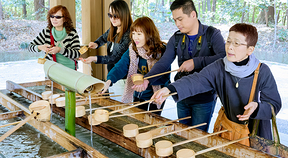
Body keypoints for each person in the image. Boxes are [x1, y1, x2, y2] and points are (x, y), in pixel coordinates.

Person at [151, 23, 282, 143]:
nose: (230, 47)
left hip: (255, 133)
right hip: (228, 129)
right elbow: (197, 80)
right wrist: (169, 89)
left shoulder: (262, 71)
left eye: (236, 43)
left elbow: (274, 104)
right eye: (228, 41)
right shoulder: (220, 66)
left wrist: (257, 107)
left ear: (250, 50)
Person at [133, 0, 226, 131]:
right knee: (183, 132)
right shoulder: (176, 38)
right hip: (181, 93)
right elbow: (164, 62)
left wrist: (196, 62)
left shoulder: (212, 34)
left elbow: (224, 58)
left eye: (180, 19)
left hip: (204, 97)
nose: (177, 24)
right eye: (175, 20)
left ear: (193, 14)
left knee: (198, 137)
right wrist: (147, 79)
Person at [101, 16, 170, 115]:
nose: (135, 37)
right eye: (133, 33)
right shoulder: (133, 49)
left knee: (153, 122)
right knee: (139, 119)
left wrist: (145, 80)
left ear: (149, 34)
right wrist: (109, 80)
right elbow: (121, 66)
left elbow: (164, 76)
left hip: (157, 94)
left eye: (139, 34)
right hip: (138, 93)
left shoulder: (161, 51)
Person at [80, 0, 132, 74]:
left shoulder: (129, 35)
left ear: (124, 14)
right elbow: (104, 38)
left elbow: (116, 58)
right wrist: (96, 44)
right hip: (112, 70)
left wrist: (95, 58)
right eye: (110, 15)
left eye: (115, 16)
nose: (112, 19)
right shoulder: (114, 28)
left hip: (123, 74)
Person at [28, 5, 80, 70]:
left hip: (69, 70)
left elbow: (77, 54)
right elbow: (30, 47)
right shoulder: (46, 31)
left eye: (58, 17)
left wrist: (60, 50)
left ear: (65, 19)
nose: (54, 19)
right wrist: (40, 47)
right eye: (52, 16)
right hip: (51, 70)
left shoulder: (72, 32)